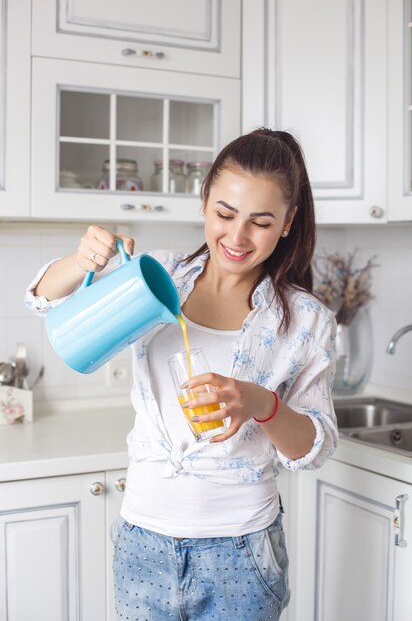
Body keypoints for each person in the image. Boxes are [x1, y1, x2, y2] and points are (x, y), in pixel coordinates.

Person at [25, 128, 338, 621]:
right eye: (225, 213)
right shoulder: (157, 278)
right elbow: (46, 302)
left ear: (287, 222)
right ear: (204, 202)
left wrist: (262, 403)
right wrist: (80, 261)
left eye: (260, 222)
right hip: (142, 542)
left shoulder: (304, 321)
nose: (236, 238)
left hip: (242, 550)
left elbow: (315, 447)